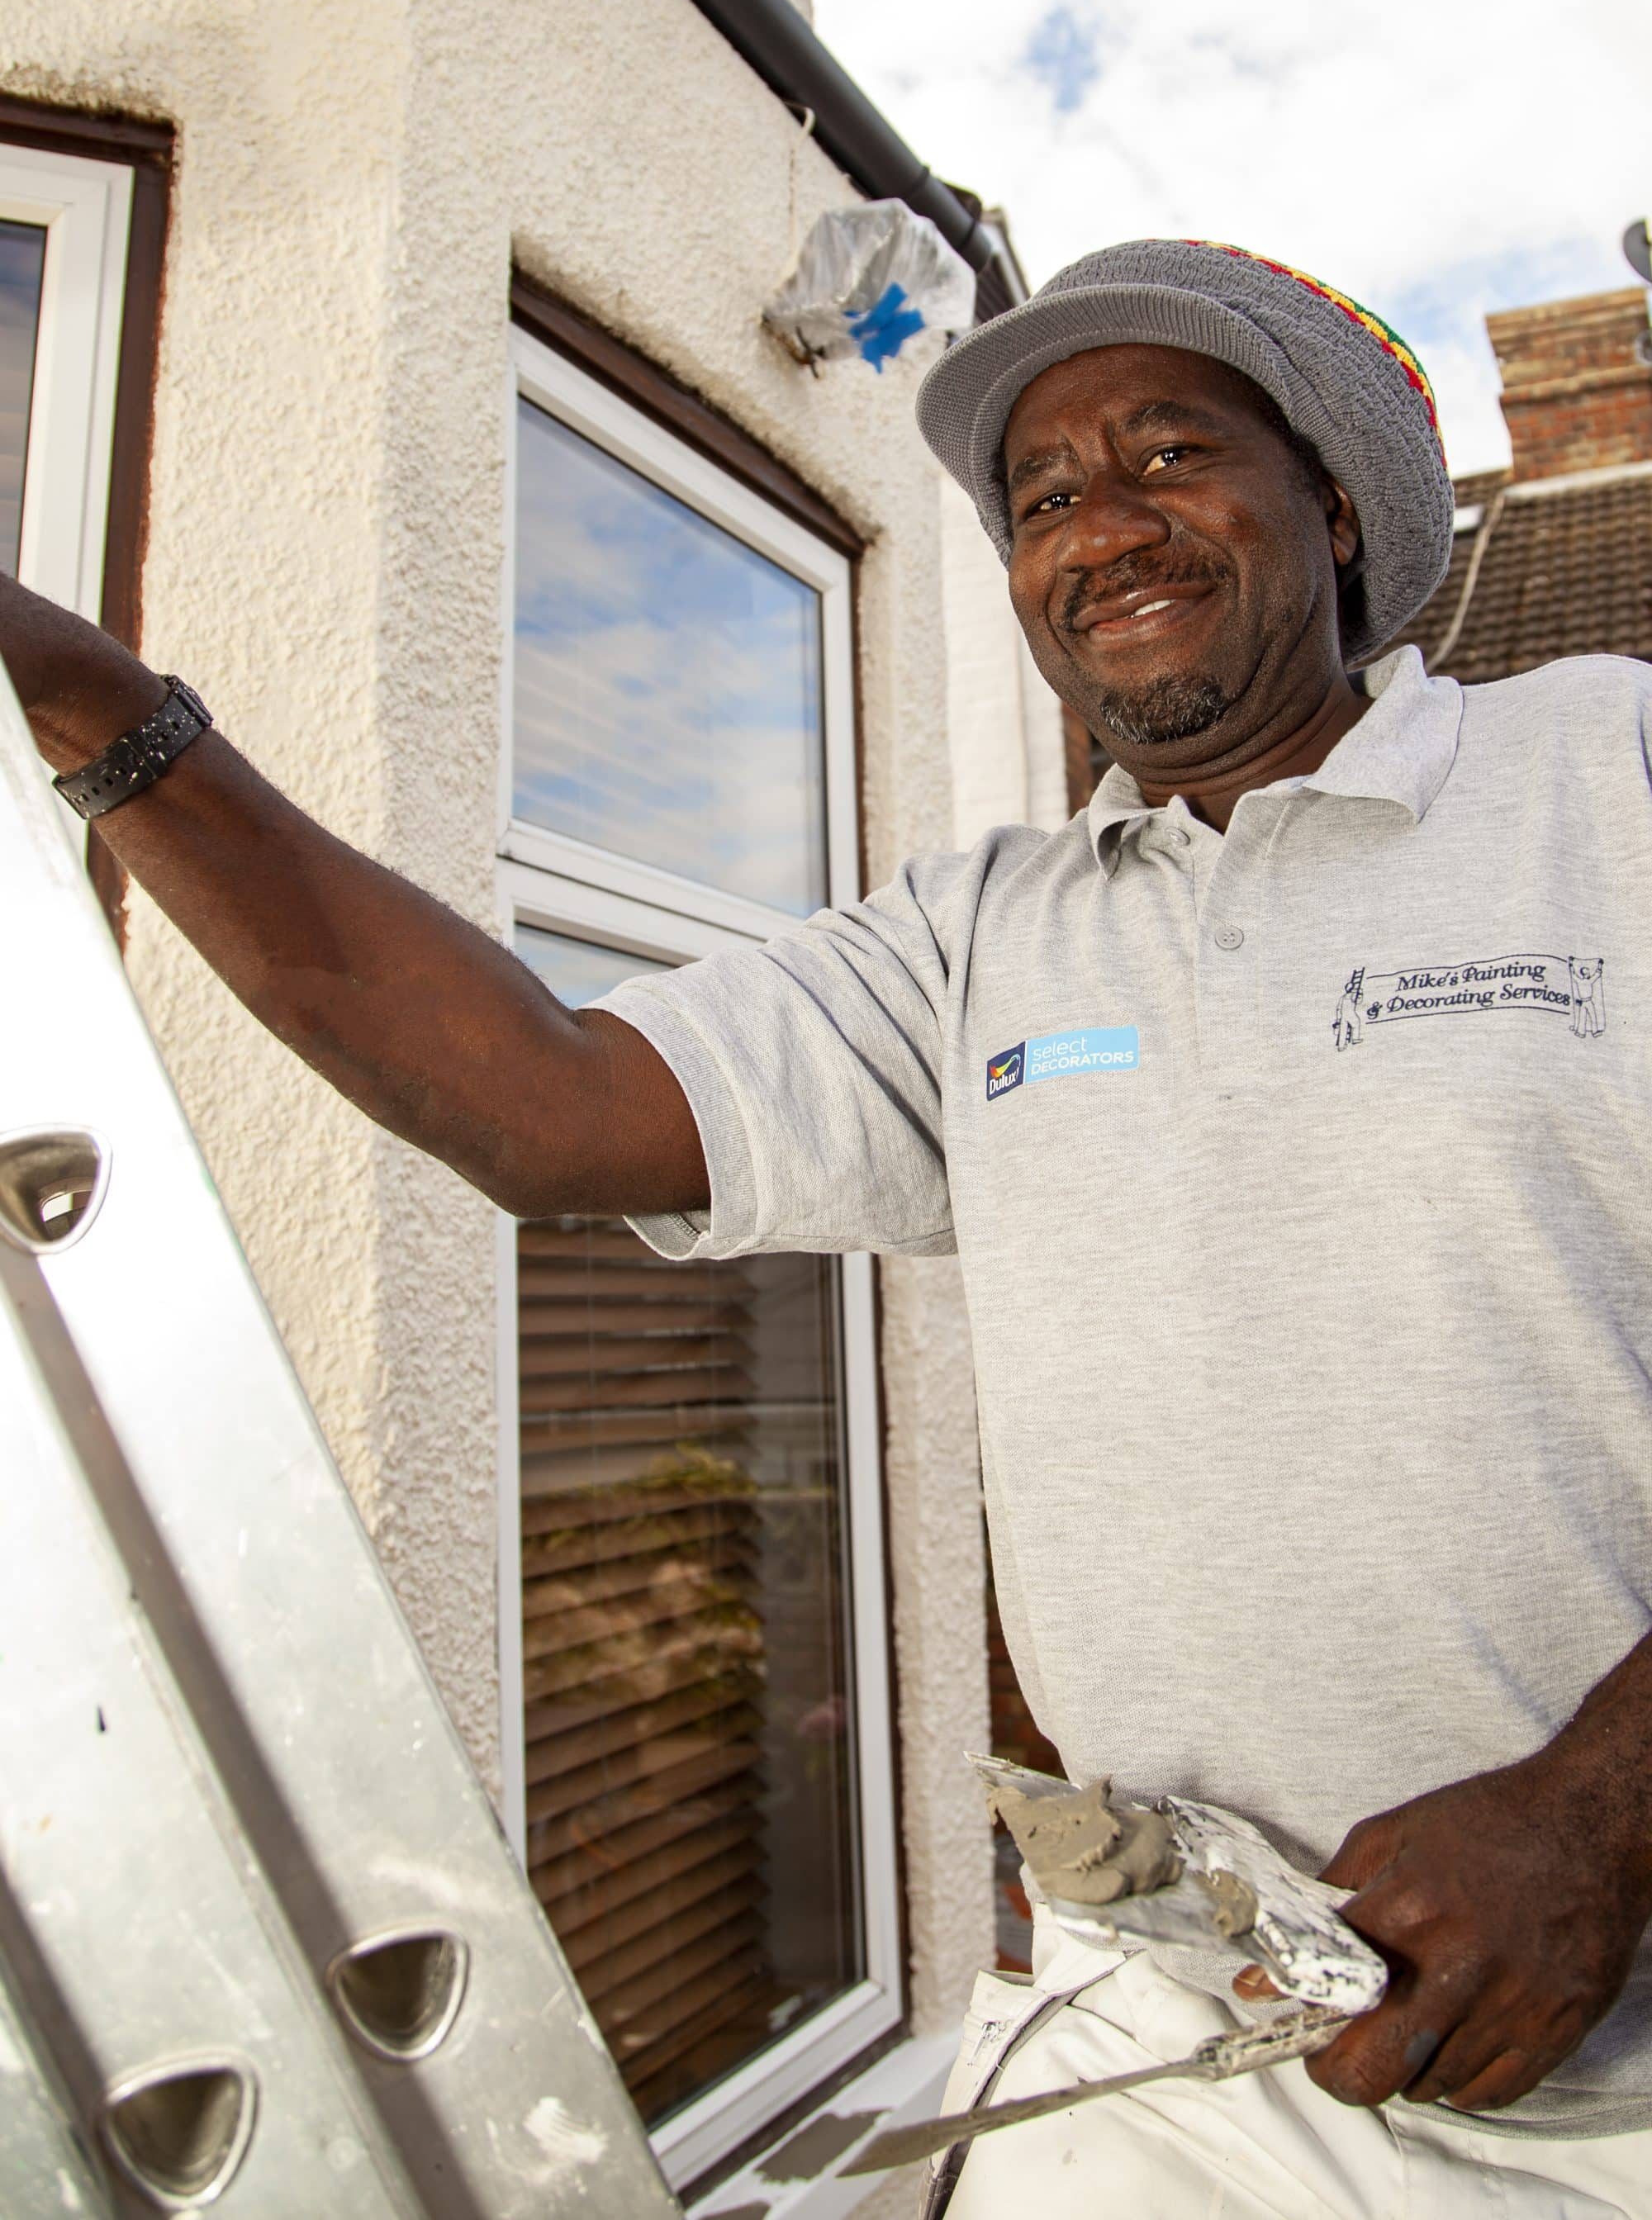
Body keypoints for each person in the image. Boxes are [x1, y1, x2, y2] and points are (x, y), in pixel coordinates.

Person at [8, 239, 1652, 2217]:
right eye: (1040, 499)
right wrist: (93, 704)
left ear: (1327, 500)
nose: (1098, 526)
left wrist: (1599, 1811)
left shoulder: (1600, 771)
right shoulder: (980, 939)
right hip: (1171, 2036)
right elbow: (540, 1099)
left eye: (1166, 455)